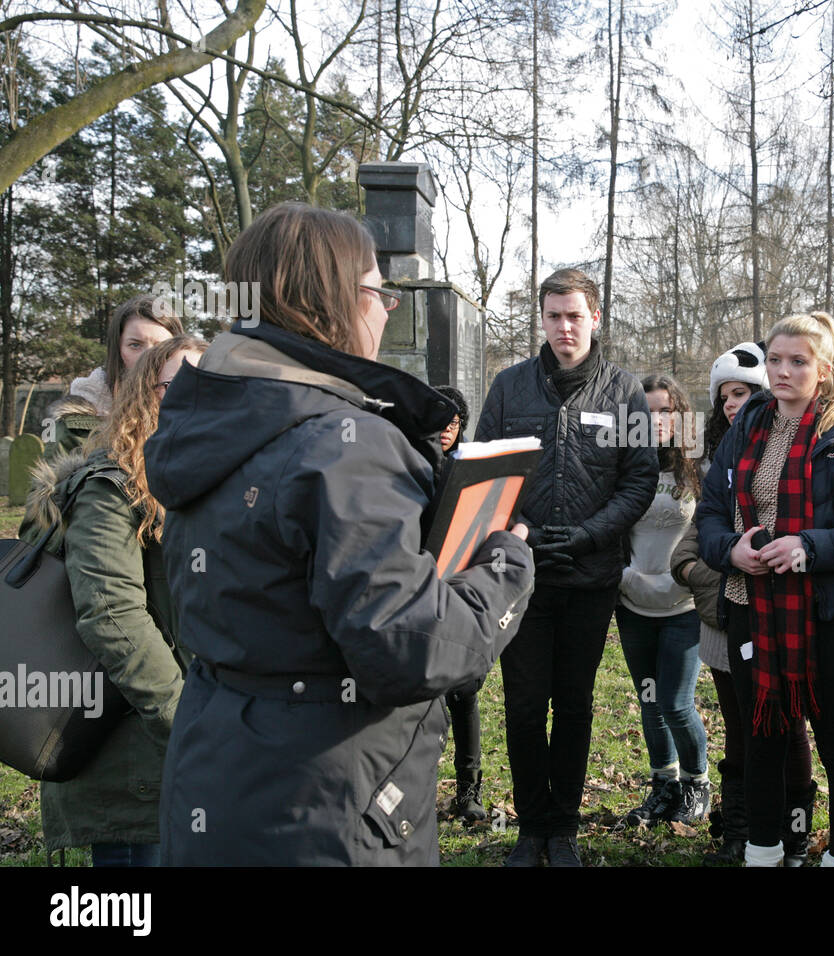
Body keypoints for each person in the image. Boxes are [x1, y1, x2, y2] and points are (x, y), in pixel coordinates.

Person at [142, 202, 534, 866]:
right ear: (334, 301)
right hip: (326, 808)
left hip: (221, 772)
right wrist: (507, 564)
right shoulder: (343, 444)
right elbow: (414, 649)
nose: (387, 310)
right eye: (380, 292)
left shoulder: (215, 419)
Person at [476, 267, 658, 867]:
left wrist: (586, 535)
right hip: (522, 576)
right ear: (542, 319)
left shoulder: (624, 391)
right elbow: (485, 472)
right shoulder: (509, 388)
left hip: (590, 576)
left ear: (596, 317)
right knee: (525, 703)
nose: (563, 327)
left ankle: (565, 829)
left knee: (575, 704)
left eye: (574, 315)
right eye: (553, 316)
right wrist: (518, 531)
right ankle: (532, 828)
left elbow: (638, 480)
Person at [697, 312, 834, 867]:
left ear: (825, 371)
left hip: (828, 617)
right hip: (748, 608)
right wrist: (730, 549)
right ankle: (764, 852)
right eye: (775, 359)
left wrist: (809, 546)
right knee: (763, 740)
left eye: (797, 362)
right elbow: (711, 510)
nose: (781, 371)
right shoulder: (746, 425)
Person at [21, 335, 207, 866]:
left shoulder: (200, 480)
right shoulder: (112, 486)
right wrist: (187, 723)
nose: (201, 395)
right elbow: (111, 616)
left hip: (191, 748)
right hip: (135, 758)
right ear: (147, 395)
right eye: (182, 384)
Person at [672, 343, 817, 865]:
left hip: (783, 614)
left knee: (786, 724)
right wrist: (697, 572)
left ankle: (792, 826)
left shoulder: (785, 446)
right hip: (723, 616)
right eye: (724, 395)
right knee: (740, 726)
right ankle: (740, 828)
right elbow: (695, 537)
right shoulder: (714, 459)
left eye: (742, 392)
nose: (732, 403)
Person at [616, 373, 710, 826]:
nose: (657, 420)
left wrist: (693, 577)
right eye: (647, 411)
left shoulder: (699, 465)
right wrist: (624, 576)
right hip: (634, 604)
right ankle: (664, 787)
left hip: (684, 606)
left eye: (666, 411)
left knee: (676, 702)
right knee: (650, 701)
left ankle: (697, 783)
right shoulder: (624, 464)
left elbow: (712, 529)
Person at [431, 385, 489, 825]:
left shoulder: (472, 467)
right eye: (440, 420)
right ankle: (418, 785)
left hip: (462, 589)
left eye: (455, 422)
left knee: (465, 695)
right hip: (417, 591)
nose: (447, 429)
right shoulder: (406, 458)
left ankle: (470, 790)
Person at [48, 294, 183, 453]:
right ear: (118, 350)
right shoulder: (76, 427)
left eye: (161, 347)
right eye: (135, 345)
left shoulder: (198, 416)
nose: (148, 357)